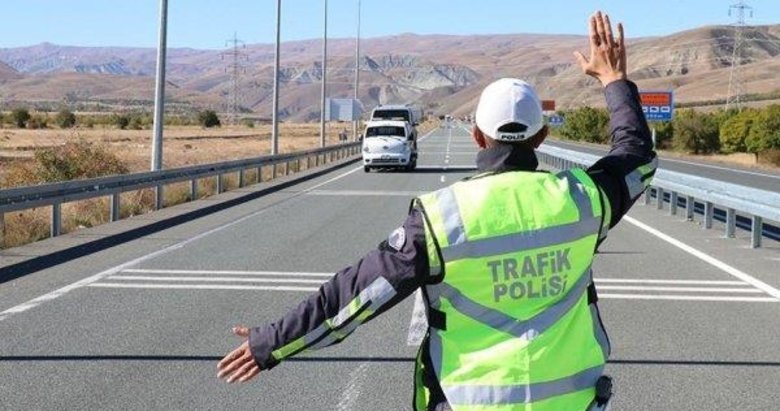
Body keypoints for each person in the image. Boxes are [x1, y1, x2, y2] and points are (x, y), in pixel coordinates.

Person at [218, 11, 656, 411]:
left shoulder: (442, 219)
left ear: (477, 137)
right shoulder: (584, 199)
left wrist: (271, 343)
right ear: (540, 139)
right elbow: (636, 155)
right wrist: (613, 79)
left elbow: (352, 297)